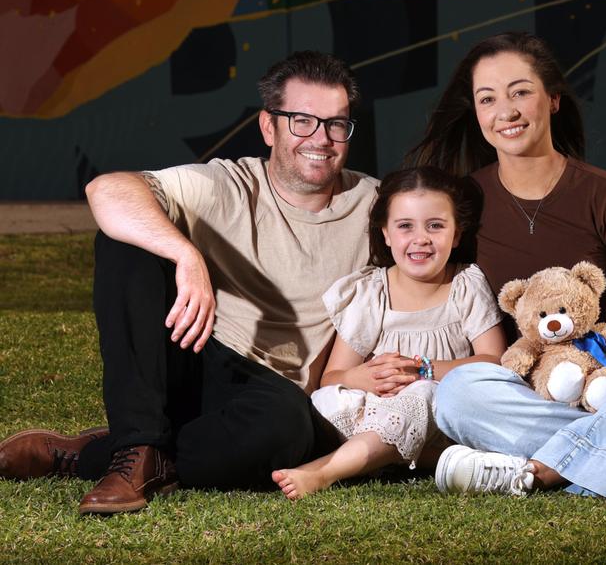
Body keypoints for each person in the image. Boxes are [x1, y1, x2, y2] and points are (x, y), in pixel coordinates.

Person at [0, 51, 380, 514]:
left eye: (335, 123)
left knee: (285, 427)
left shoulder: (376, 207)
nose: (320, 138)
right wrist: (185, 254)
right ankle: (140, 443)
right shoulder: (229, 184)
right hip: (196, 351)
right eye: (302, 121)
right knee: (126, 242)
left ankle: (107, 455)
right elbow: (108, 190)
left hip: (272, 399)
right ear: (269, 127)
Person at [406, 31, 606, 500]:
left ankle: (545, 470)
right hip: (530, 391)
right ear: (476, 112)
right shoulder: (465, 201)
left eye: (521, 91)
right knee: (461, 392)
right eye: (488, 98)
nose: (507, 111)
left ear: (553, 99)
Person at [271, 166, 507, 499]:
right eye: (405, 226)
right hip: (377, 406)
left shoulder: (465, 284)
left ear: (456, 235)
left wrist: (422, 370)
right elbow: (331, 376)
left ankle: (326, 470)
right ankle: (404, 458)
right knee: (325, 400)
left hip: (436, 409)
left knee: (422, 393)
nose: (420, 238)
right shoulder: (372, 291)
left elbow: (495, 362)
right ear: (385, 234)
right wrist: (364, 377)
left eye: (436, 226)